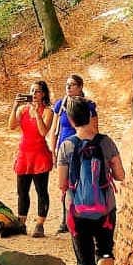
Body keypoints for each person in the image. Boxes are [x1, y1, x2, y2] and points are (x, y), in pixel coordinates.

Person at [58, 96, 124, 265]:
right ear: (90, 116)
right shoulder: (106, 143)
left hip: (77, 213)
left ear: (71, 119)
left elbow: (61, 183)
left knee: (85, 262)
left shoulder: (67, 146)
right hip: (105, 209)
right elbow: (120, 175)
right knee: (106, 251)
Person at [50, 74, 98, 233]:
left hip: (82, 150)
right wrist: (53, 152)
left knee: (82, 183)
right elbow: (54, 131)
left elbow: (95, 130)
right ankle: (66, 220)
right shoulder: (60, 104)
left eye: (72, 85)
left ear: (80, 87)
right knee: (64, 185)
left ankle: (83, 218)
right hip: (64, 151)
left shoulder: (89, 106)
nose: (68, 87)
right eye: (67, 85)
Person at [8, 80, 55, 238]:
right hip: (24, 154)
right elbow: (11, 126)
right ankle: (21, 222)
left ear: (43, 94)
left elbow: (43, 133)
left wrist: (37, 115)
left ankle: (40, 224)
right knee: (22, 191)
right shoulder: (22, 109)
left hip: (39, 154)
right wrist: (15, 106)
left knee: (41, 191)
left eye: (38, 91)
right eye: (32, 91)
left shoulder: (47, 111)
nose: (34, 94)